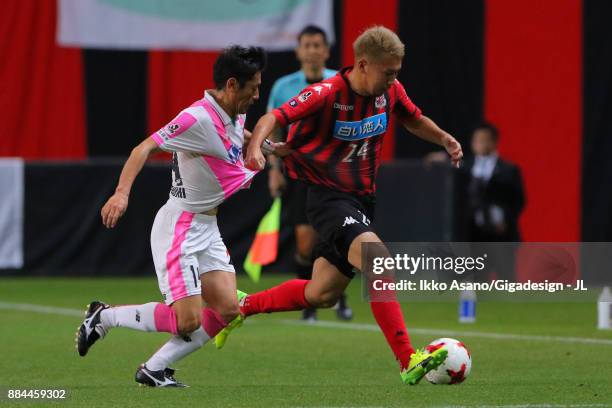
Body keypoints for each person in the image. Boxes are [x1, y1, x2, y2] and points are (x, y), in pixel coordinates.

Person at [216, 26, 464, 385]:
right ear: (364, 64)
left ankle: (242, 307)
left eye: (397, 72)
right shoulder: (327, 93)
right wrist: (256, 147)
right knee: (378, 259)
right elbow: (274, 117)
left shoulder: (390, 90)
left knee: (322, 294)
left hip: (361, 200)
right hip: (326, 197)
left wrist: (443, 138)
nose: (394, 79)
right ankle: (408, 359)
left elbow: (411, 117)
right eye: (389, 72)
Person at [75, 45, 271, 387]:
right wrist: (121, 194)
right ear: (230, 85)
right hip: (180, 226)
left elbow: (240, 133)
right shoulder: (196, 118)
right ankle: (103, 317)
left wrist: (263, 145)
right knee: (188, 320)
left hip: (208, 227)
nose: (257, 94)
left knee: (227, 310)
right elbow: (144, 148)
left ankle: (154, 369)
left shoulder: (233, 113)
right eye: (252, 87)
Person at [267, 25, 352, 321]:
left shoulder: (340, 82)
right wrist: (273, 170)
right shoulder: (283, 86)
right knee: (305, 242)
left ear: (327, 50)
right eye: (308, 44)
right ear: (298, 50)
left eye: (318, 45)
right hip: (299, 172)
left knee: (339, 236)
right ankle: (310, 302)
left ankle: (338, 295)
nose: (313, 50)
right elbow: (275, 127)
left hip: (335, 173)